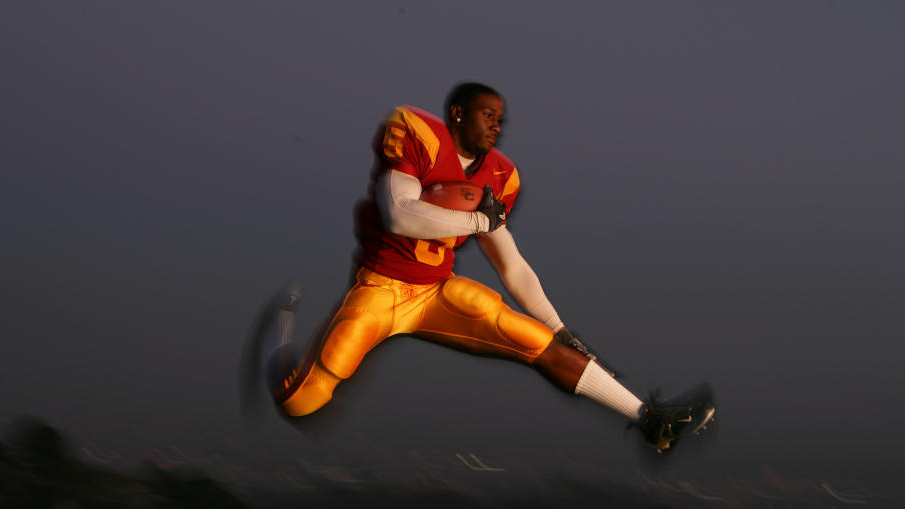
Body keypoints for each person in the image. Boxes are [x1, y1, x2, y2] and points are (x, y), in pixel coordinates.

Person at [247, 82, 715, 453]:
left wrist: (558, 325)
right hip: (381, 289)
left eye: (501, 120)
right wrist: (475, 219)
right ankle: (278, 334)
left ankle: (650, 418)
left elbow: (509, 261)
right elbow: (400, 213)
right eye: (488, 115)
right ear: (458, 113)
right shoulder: (415, 133)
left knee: (534, 338)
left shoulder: (498, 176)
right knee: (302, 401)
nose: (497, 126)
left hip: (435, 291)